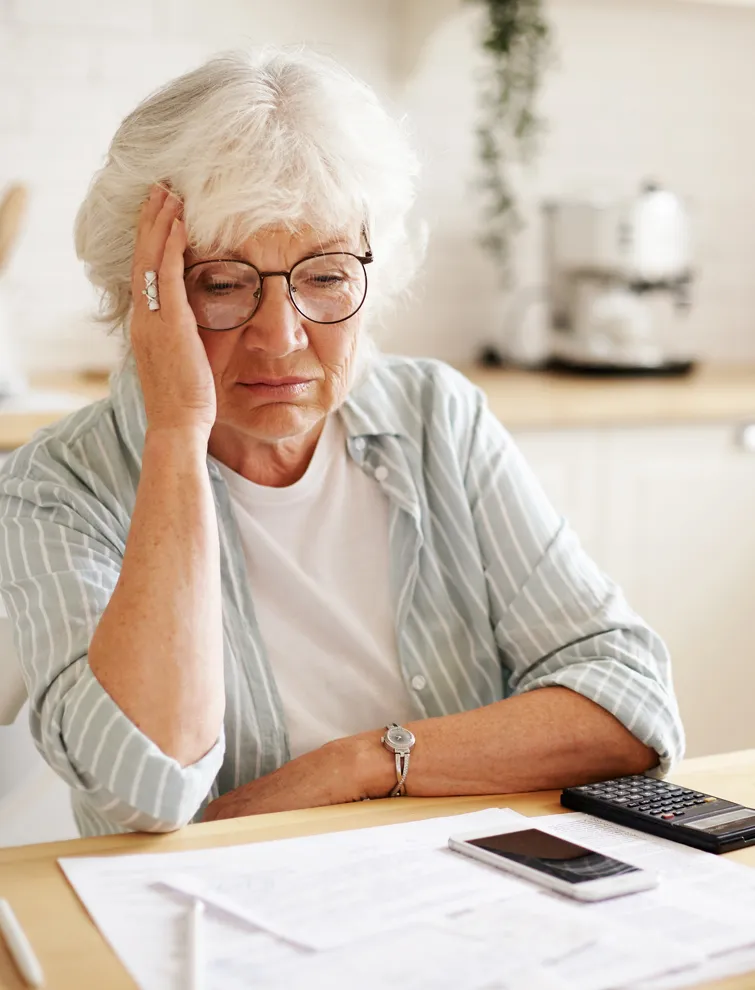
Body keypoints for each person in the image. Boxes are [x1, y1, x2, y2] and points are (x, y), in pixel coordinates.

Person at [0, 49, 683, 838]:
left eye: (324, 276)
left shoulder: (435, 418)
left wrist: (362, 764)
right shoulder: (55, 486)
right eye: (221, 283)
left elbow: (629, 708)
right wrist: (178, 432)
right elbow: (141, 793)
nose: (281, 336)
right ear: (140, 294)